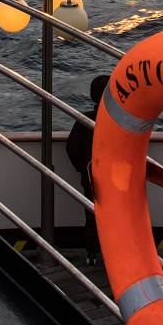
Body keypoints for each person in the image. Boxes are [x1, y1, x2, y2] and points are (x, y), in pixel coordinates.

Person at [67, 74, 109, 266]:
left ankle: (91, 253)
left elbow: (72, 147)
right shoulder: (117, 122)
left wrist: (82, 168)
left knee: (92, 216)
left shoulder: (85, 119)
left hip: (90, 176)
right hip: (115, 177)